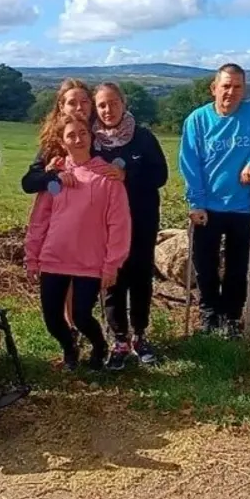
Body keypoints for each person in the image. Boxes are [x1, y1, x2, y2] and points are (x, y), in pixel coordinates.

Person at [178, 64, 250, 338]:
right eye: (226, 86)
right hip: (208, 207)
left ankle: (231, 317)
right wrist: (196, 203)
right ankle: (209, 316)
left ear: (244, 89)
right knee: (205, 267)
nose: (231, 92)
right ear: (214, 88)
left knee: (238, 268)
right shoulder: (197, 120)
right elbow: (190, 164)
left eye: (237, 87)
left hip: (244, 207)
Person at [24, 113, 132, 371]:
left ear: (91, 137)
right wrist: (32, 256)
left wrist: (112, 264)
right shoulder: (55, 178)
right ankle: (69, 347)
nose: (78, 139)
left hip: (90, 261)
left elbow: (119, 225)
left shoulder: (108, 177)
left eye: (83, 133)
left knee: (82, 316)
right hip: (53, 258)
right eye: (71, 135)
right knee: (52, 319)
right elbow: (39, 220)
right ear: (62, 142)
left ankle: (99, 346)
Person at [86, 83, 168, 370]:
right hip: (103, 222)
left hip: (141, 218)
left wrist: (127, 175)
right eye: (102, 105)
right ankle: (119, 338)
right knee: (112, 278)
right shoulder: (90, 140)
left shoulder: (143, 137)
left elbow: (160, 175)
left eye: (113, 103)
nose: (108, 110)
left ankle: (140, 335)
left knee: (141, 276)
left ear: (124, 103)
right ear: (95, 108)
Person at [20, 78, 94, 339]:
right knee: (66, 279)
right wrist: (52, 175)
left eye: (85, 101)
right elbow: (28, 182)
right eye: (72, 102)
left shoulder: (100, 138)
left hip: (93, 222)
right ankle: (72, 332)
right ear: (61, 107)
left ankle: (96, 332)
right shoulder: (54, 142)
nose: (79, 107)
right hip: (60, 223)